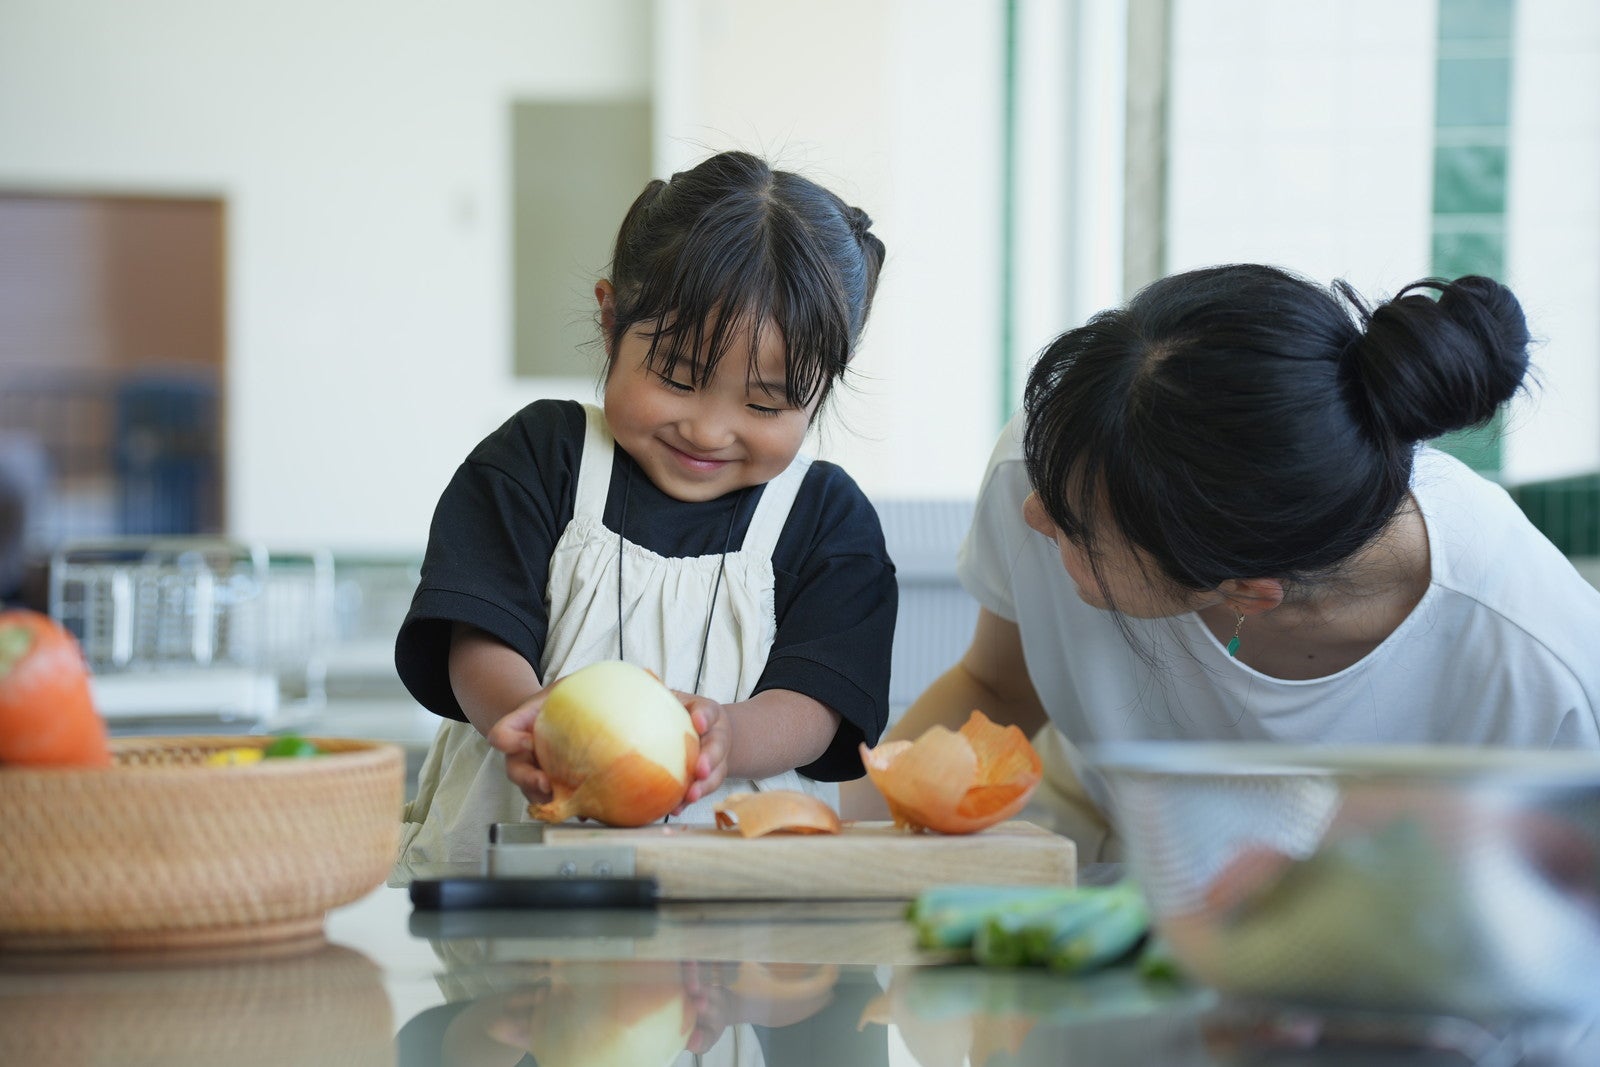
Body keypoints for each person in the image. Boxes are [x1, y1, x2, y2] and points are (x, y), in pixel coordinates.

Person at [872, 264, 1600, 860]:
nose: (1035, 515)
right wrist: (820, 830)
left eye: (1074, 529)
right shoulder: (1058, 459)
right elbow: (994, 684)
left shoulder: (1540, 663)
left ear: (1246, 593)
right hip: (1088, 875)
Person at [392, 151, 896, 880]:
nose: (709, 430)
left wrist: (729, 733)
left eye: (763, 404)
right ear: (609, 322)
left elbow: (818, 704)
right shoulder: (539, 458)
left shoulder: (827, 521)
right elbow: (475, 635)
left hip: (736, 915)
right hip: (508, 889)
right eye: (678, 377)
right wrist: (536, 718)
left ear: (817, 395)